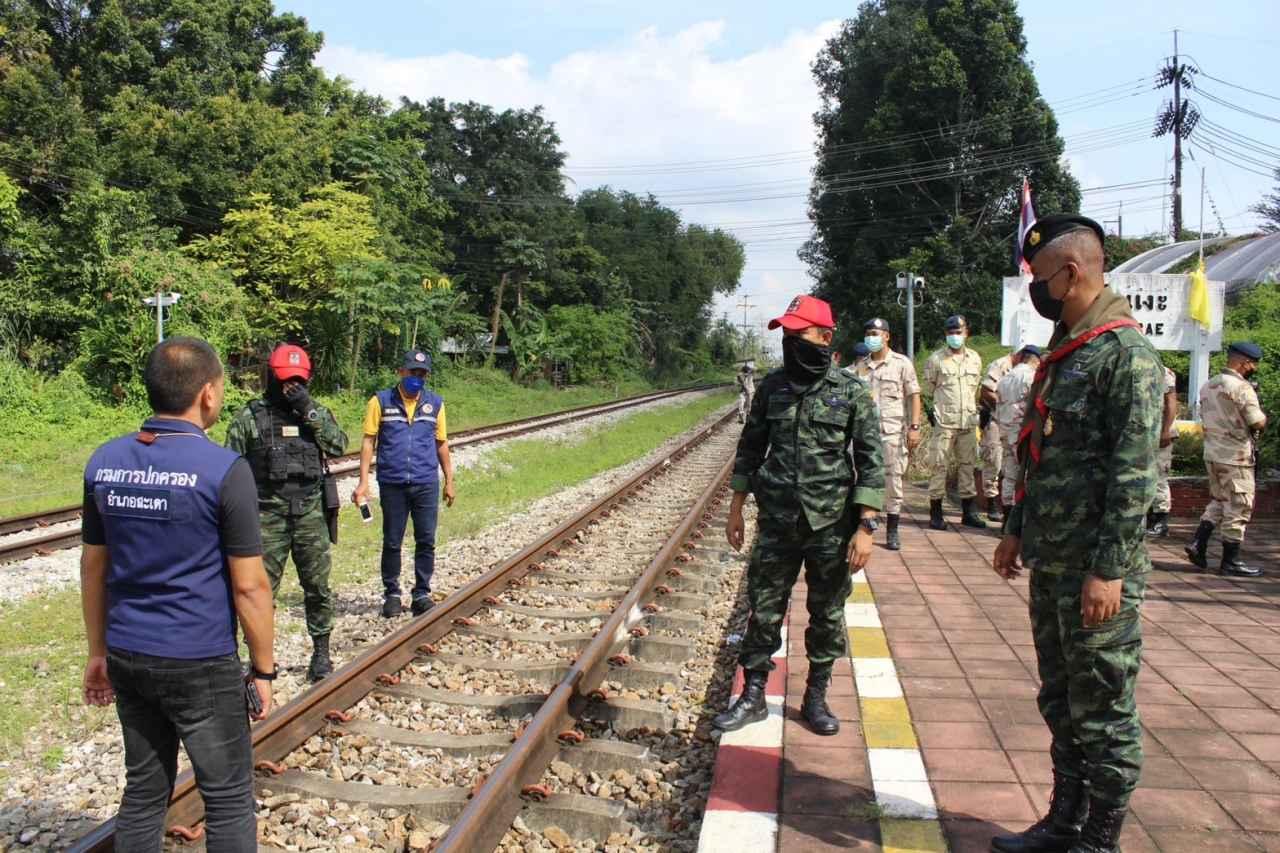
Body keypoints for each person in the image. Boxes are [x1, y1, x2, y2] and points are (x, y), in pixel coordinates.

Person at [992, 215, 1163, 853]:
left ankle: (1100, 838)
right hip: (1054, 563)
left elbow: (1134, 475)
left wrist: (1109, 570)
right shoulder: (1069, 352)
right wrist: (1015, 529)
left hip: (1096, 571)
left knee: (1105, 708)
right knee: (1061, 698)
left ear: (1073, 273)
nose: (1036, 290)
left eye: (1041, 278)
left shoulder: (1124, 356)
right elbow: (1041, 453)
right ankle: (1064, 819)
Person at [80, 337, 276, 851]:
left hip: (127, 653)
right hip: (199, 661)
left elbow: (93, 566)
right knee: (229, 795)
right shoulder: (225, 471)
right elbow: (251, 586)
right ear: (208, 394)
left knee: (145, 790)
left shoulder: (104, 463)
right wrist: (263, 670)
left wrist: (97, 652)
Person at [715, 295, 884, 736]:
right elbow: (750, 449)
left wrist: (866, 526)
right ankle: (752, 695)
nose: (791, 343)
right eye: (787, 336)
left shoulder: (850, 392)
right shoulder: (773, 387)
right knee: (764, 610)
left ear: (825, 338)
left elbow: (871, 460)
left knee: (826, 613)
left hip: (831, 525)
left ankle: (816, 697)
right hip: (777, 522)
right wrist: (736, 509)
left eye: (799, 335)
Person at [226, 344, 349, 682]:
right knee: (258, 591)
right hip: (267, 516)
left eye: (298, 381)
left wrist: (307, 409)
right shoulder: (249, 418)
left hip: (309, 513)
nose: (291, 388)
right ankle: (257, 660)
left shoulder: (314, 412)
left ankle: (321, 652)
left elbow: (338, 445)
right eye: (285, 381)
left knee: (318, 587)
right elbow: (229, 468)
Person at [353, 349, 456, 618]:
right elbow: (368, 442)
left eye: (422, 374)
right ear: (401, 372)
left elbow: (442, 444)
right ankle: (392, 594)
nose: (417, 378)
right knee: (392, 541)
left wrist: (449, 481)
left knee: (426, 540)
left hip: (425, 482)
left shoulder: (435, 403)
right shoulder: (380, 401)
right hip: (393, 482)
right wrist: (363, 482)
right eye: (413, 372)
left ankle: (421, 592)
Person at [1184, 342, 1267, 577]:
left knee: (1220, 500)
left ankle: (1199, 543)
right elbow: (1257, 422)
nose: (1253, 368)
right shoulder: (1242, 388)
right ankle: (1231, 561)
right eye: (1252, 364)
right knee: (1239, 506)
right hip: (1235, 456)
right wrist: (1264, 417)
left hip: (1213, 453)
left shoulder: (1209, 384)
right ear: (1242, 363)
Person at [850, 318, 922, 550]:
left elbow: (914, 395)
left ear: (886, 336)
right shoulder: (859, 368)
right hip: (863, 436)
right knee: (861, 479)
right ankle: (864, 524)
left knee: (893, 482)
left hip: (891, 433)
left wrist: (914, 427)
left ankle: (892, 530)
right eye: (868, 333)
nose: (872, 337)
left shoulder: (902, 364)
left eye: (876, 333)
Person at [922, 314, 986, 530]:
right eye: (951, 333)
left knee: (968, 466)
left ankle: (968, 512)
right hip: (945, 422)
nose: (955, 336)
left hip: (967, 421)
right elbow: (928, 391)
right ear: (945, 335)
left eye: (958, 332)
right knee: (938, 465)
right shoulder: (936, 359)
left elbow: (975, 388)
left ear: (966, 333)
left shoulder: (975, 358)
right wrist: (933, 415)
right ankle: (936, 512)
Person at [994, 344, 1041, 515]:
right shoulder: (1031, 376)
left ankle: (1006, 520)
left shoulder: (1006, 378)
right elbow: (1037, 404)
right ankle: (1017, 523)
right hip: (1020, 432)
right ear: (1036, 360)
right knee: (1023, 474)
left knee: (1008, 474)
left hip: (1004, 430)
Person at [979, 350, 1016, 522]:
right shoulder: (1001, 365)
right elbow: (986, 391)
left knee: (1011, 463)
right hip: (995, 418)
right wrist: (1005, 404)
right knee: (993, 459)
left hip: (1014, 421)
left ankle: (1007, 505)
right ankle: (991, 502)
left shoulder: (1028, 368)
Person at [1146, 366, 1179, 537]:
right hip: (1145, 431)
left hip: (1160, 431)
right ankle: (1150, 517)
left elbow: (1171, 401)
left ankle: (1161, 521)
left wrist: (1165, 431)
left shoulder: (1162, 371)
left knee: (1159, 474)